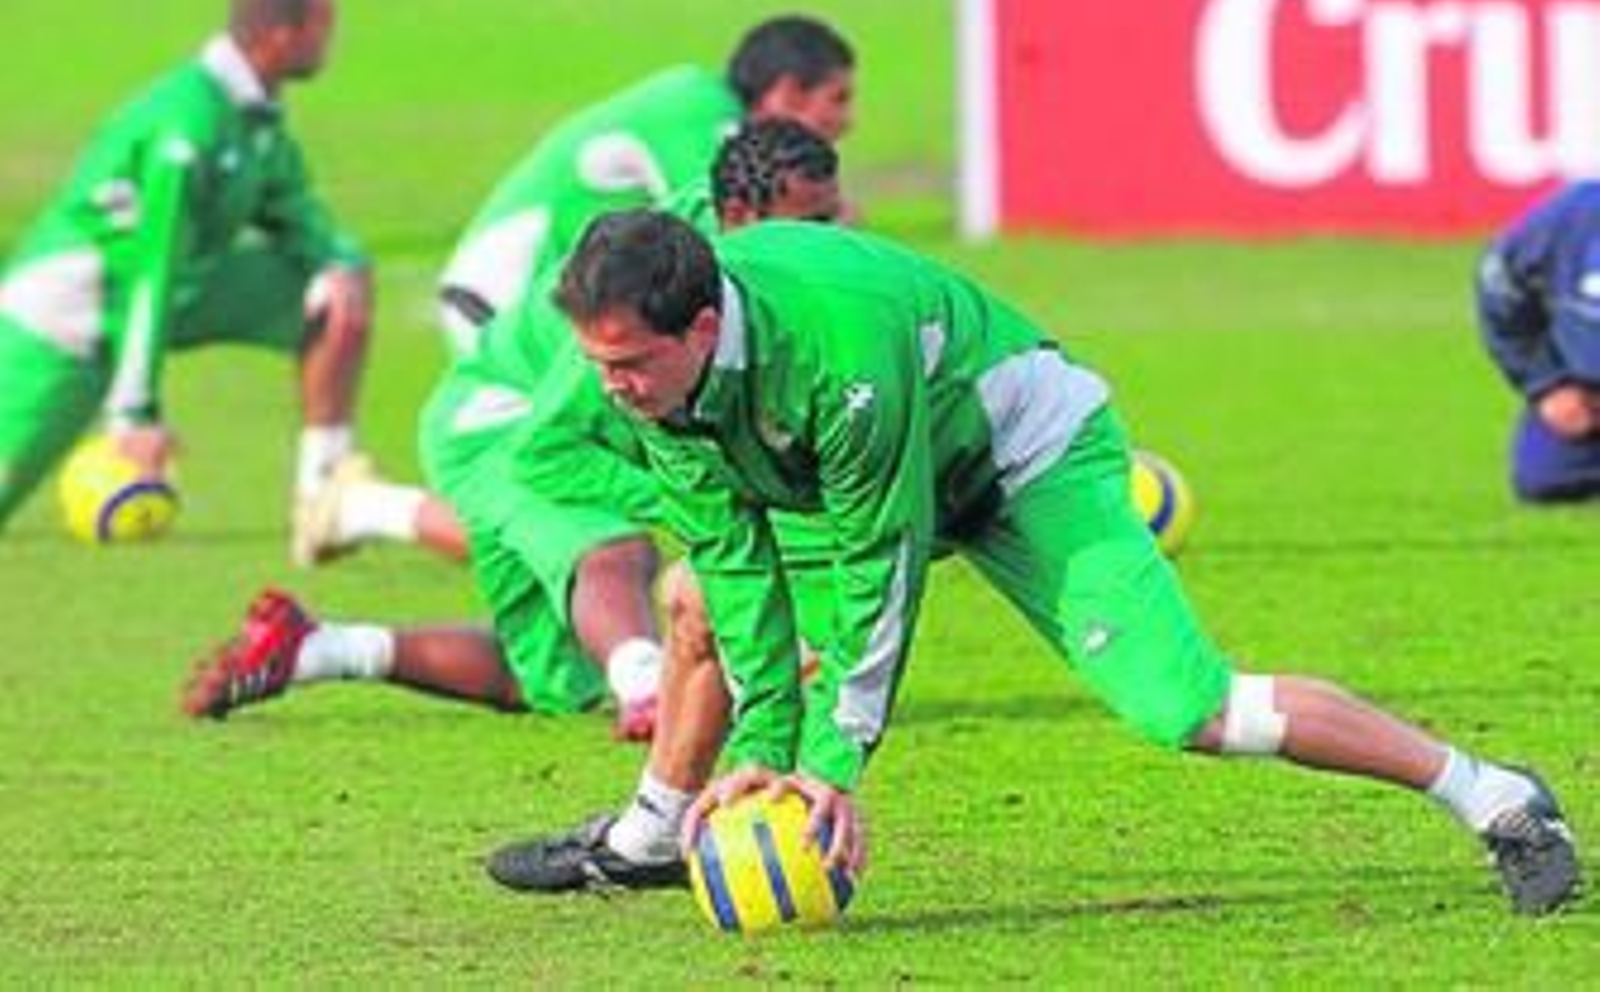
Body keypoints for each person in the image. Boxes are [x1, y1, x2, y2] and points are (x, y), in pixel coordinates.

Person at [486, 210, 1581, 917]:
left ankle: (1495, 798)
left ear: (703, 324)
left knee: (1193, 711)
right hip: (851, 476)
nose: (613, 386)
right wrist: (761, 753)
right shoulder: (644, 386)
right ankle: (650, 836)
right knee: (694, 603)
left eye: (630, 363)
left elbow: (880, 565)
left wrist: (827, 769)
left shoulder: (841, 347)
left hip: (1021, 463)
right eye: (600, 364)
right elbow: (733, 561)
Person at [180, 121, 844, 743]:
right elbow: (549, 447)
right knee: (612, 548)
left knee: (553, 681)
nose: (832, 235)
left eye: (830, 216)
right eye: (812, 221)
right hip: (499, 424)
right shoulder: (659, 283)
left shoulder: (747, 258)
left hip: (559, 427)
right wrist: (707, 504)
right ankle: (645, 685)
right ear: (740, 214)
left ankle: (318, 648)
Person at [0, 0, 426, 563]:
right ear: (281, 33)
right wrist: (135, 414)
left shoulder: (256, 120)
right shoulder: (189, 126)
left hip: (169, 297)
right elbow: (153, 268)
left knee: (335, 289)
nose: (331, 41)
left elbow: (296, 211)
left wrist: (338, 260)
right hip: (66, 322)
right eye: (322, 26)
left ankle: (323, 497)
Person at [436, 14, 854, 355]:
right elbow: (734, 230)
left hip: (529, 303)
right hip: (503, 303)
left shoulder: (699, 105)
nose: (847, 121)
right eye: (838, 98)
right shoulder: (697, 108)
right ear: (788, 92)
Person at [1477, 181, 1600, 502]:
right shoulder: (1574, 216)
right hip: (1589, 395)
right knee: (1545, 481)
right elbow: (1499, 283)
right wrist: (1547, 385)